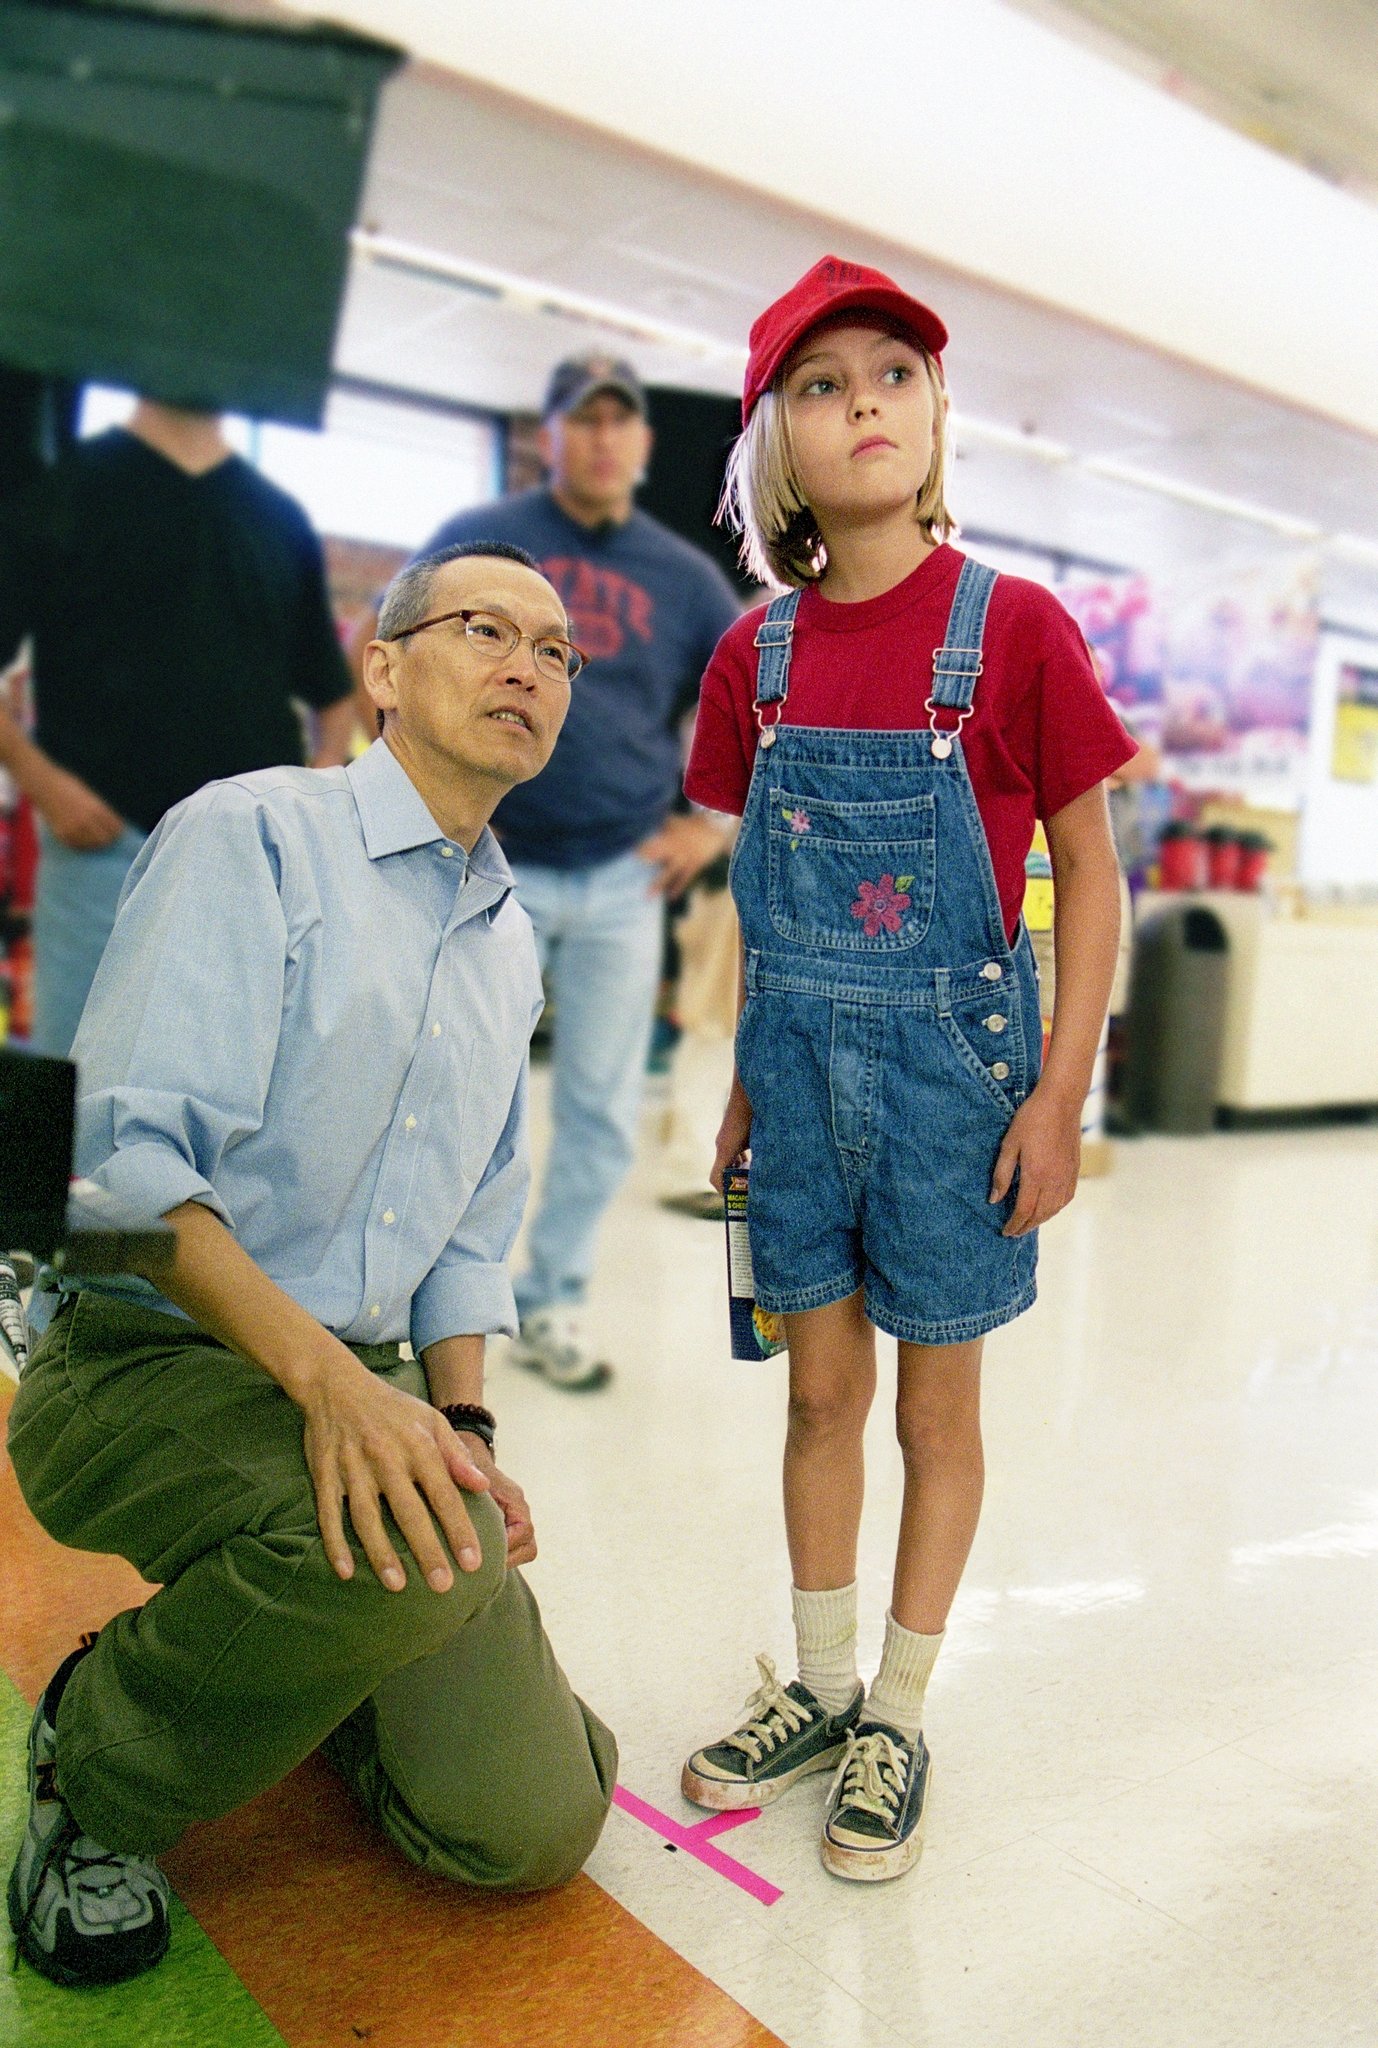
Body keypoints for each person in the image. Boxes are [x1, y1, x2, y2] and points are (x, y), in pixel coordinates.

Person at [6, 541, 616, 1990]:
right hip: (141, 1358)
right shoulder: (252, 836)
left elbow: (475, 1220)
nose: (527, 666)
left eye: (556, 652)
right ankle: (98, 1756)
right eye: (485, 630)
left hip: (365, 1372)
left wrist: (455, 1421)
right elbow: (120, 1173)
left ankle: (307, 1655)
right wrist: (333, 1390)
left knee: (534, 1824)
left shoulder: (506, 939)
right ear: (383, 670)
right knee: (426, 1560)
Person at [678, 257, 1134, 1882]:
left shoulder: (1010, 629)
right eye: (817, 385)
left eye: (890, 373)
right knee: (815, 1391)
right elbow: (755, 897)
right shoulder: (757, 657)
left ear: (935, 416)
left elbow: (1087, 866)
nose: (859, 402)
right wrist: (740, 1081)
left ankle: (901, 1705)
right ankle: (814, 1684)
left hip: (960, 1080)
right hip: (795, 1068)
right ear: (772, 447)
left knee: (936, 1407)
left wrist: (1059, 1093)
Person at [353, 356, 741, 1390]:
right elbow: (389, 645)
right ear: (550, 433)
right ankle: (409, 1300)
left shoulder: (683, 575)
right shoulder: (481, 539)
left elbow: (753, 700)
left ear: (642, 444)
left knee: (603, 1106)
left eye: (622, 422)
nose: (604, 439)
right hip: (484, 866)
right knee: (443, 1086)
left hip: (622, 876)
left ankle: (556, 1299)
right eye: (583, 420)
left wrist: (710, 826)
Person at [0, 397, 357, 1056]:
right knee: (65, 1106)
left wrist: (321, 780)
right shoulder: (64, 493)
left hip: (248, 863)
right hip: (100, 857)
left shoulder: (278, 518)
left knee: (232, 1102)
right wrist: (44, 784)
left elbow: (333, 695)